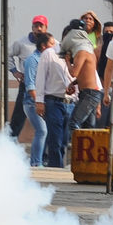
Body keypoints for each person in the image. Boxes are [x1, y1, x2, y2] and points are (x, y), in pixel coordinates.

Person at [35, 33, 73, 168]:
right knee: (55, 139)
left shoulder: (75, 54)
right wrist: (39, 101)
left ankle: (59, 166)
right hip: (53, 101)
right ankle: (56, 167)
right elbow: (40, 78)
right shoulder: (49, 53)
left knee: (64, 140)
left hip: (70, 102)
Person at [8, 15, 48, 138]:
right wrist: (15, 71)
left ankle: (46, 148)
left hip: (46, 87)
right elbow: (7, 55)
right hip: (26, 85)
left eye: (41, 26)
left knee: (48, 119)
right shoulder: (21, 43)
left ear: (46, 28)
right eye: (36, 26)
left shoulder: (52, 43)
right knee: (18, 117)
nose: (38, 29)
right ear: (32, 28)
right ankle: (9, 143)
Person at [60, 20, 102, 132]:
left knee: (73, 123)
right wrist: (73, 83)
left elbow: (74, 73)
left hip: (90, 94)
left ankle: (76, 144)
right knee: (88, 128)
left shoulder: (82, 51)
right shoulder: (88, 50)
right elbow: (86, 74)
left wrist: (67, 61)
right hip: (91, 93)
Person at [23, 33, 51, 167]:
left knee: (45, 132)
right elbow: (30, 85)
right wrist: (38, 102)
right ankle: (35, 163)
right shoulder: (33, 60)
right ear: (44, 46)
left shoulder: (47, 59)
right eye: (51, 44)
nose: (54, 47)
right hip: (32, 102)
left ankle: (40, 160)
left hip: (44, 101)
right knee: (42, 130)